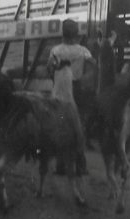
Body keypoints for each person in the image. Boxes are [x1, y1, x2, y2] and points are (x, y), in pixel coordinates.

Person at [47, 19, 95, 174]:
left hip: (60, 91)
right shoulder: (83, 51)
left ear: (63, 33)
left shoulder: (56, 50)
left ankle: (61, 165)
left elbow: (49, 69)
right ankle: (81, 165)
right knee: (78, 127)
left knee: (61, 127)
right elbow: (93, 67)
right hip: (78, 91)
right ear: (76, 34)